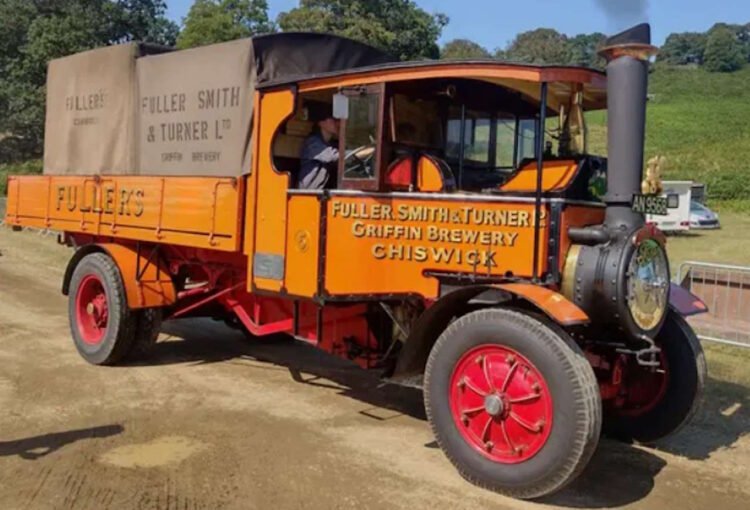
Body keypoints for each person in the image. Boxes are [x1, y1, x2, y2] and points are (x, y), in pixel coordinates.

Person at [299, 102, 341, 189]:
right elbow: (335, 156)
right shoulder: (312, 143)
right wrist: (364, 152)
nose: (338, 123)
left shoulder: (333, 143)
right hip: (309, 193)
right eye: (333, 119)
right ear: (321, 123)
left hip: (325, 193)